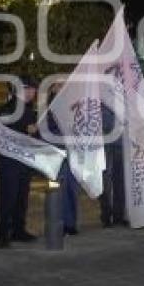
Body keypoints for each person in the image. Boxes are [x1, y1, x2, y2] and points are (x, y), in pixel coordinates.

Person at [0, 77, 40, 248]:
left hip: (23, 161)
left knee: (21, 197)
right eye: (27, 89)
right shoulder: (9, 108)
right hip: (8, 162)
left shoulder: (28, 109)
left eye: (33, 89)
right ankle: (2, 234)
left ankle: (19, 230)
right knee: (7, 198)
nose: (31, 93)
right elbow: (3, 130)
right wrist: (25, 129)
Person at [45, 81, 81, 236]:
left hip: (72, 155)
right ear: (52, 89)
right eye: (58, 85)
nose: (61, 87)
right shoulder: (46, 110)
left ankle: (70, 223)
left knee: (72, 190)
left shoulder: (72, 107)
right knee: (57, 190)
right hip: (57, 156)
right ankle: (57, 222)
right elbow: (46, 133)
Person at [99, 101, 126, 227]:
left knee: (120, 180)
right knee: (105, 181)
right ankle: (106, 215)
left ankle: (118, 215)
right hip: (104, 144)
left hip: (120, 142)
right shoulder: (98, 97)